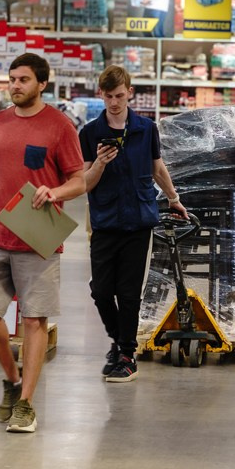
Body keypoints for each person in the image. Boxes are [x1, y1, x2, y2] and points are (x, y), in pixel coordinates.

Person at [0, 52, 85, 434]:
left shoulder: (60, 127)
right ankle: (12, 380)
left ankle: (26, 403)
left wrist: (54, 189)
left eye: (23, 80)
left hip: (38, 239)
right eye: (12, 79)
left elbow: (80, 180)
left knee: (33, 319)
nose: (15, 86)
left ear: (42, 84)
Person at [79, 65, 187, 383]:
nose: (114, 102)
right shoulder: (89, 133)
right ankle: (120, 342)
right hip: (104, 221)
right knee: (100, 291)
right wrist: (99, 163)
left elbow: (156, 166)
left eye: (119, 95)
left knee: (128, 294)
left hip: (139, 221)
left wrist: (173, 198)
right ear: (101, 95)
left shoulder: (145, 129)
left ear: (130, 92)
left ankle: (126, 354)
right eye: (108, 96)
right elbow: (84, 182)